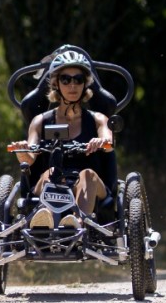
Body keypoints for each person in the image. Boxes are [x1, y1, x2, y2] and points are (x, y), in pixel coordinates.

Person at [16, 48, 114, 229]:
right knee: (51, 172)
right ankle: (44, 222)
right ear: (55, 84)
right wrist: (23, 154)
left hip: (89, 185)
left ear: (86, 84)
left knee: (88, 175)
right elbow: (30, 157)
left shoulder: (98, 119)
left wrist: (101, 142)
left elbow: (108, 144)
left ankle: (76, 223)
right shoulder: (40, 121)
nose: (72, 85)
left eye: (78, 80)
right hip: (50, 179)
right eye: (66, 79)